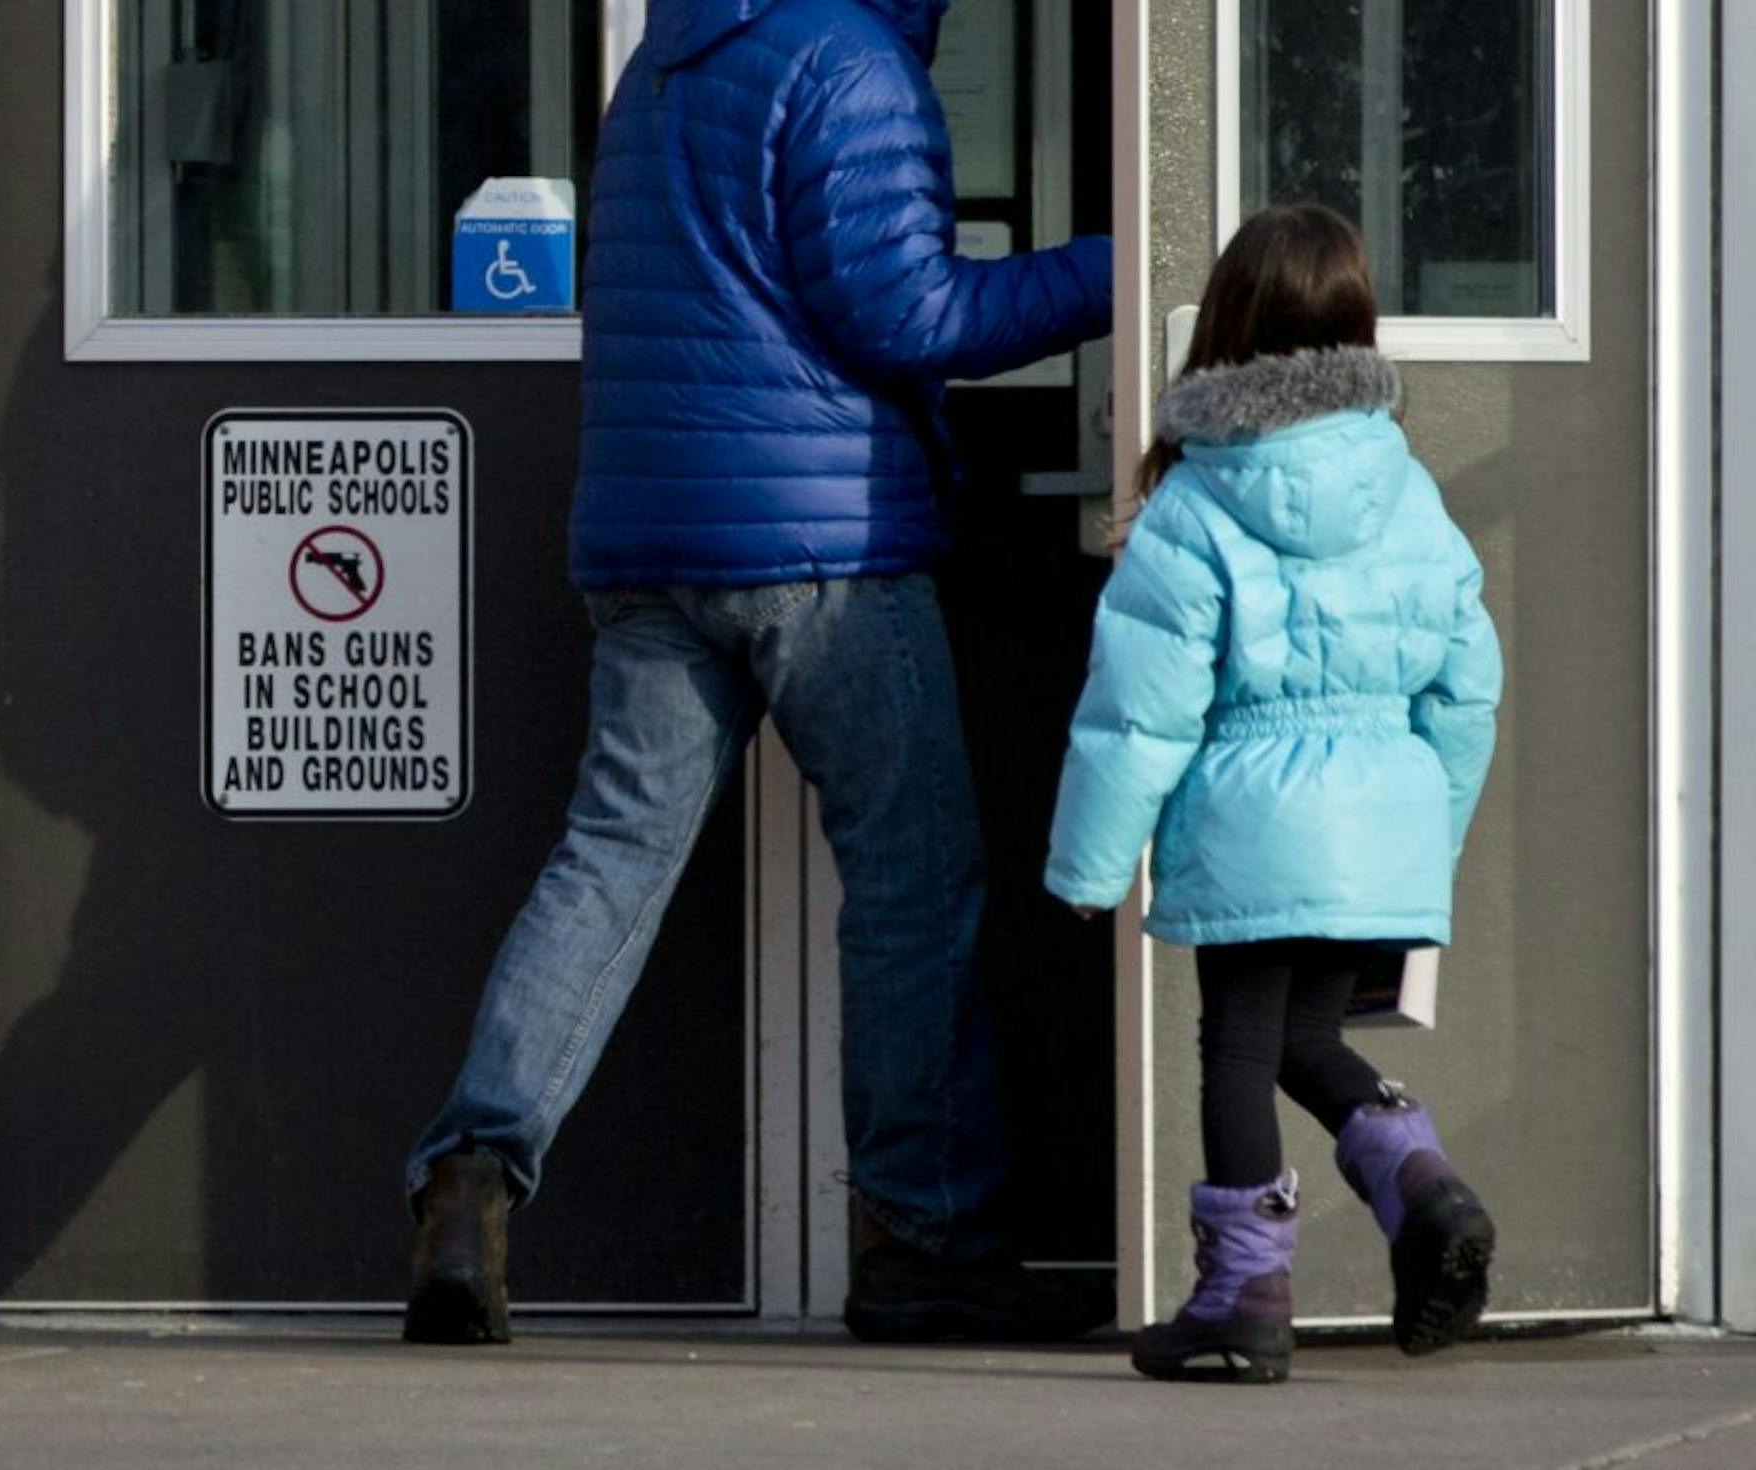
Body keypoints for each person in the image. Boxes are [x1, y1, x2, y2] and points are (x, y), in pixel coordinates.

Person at [404, 0, 1113, 1345]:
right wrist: (1118, 269)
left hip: (647, 538)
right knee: (912, 882)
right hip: (821, 547)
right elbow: (907, 310)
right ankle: (928, 1240)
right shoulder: (847, 62)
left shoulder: (663, 63)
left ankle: (467, 1175)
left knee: (607, 863)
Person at [1044, 204, 1502, 1384]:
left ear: (1230, 328)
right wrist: (1426, 838)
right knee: (1305, 1035)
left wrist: (1090, 869)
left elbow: (1142, 709)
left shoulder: (1198, 502)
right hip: (1382, 821)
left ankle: (1243, 1293)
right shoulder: (1407, 488)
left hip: (1255, 816)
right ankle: (1425, 1186)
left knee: (1240, 1047)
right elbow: (1465, 687)